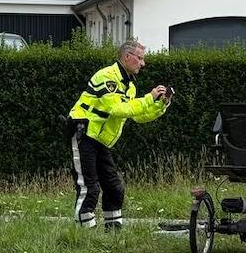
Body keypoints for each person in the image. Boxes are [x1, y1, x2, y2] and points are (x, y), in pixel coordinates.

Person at [66, 40, 170, 230]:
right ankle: (83, 235)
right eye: (140, 58)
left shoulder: (129, 86)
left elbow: (137, 115)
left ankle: (113, 233)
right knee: (89, 187)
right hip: (84, 135)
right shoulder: (107, 77)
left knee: (114, 188)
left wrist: (160, 105)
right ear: (127, 56)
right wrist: (149, 98)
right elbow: (116, 109)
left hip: (101, 141)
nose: (143, 63)